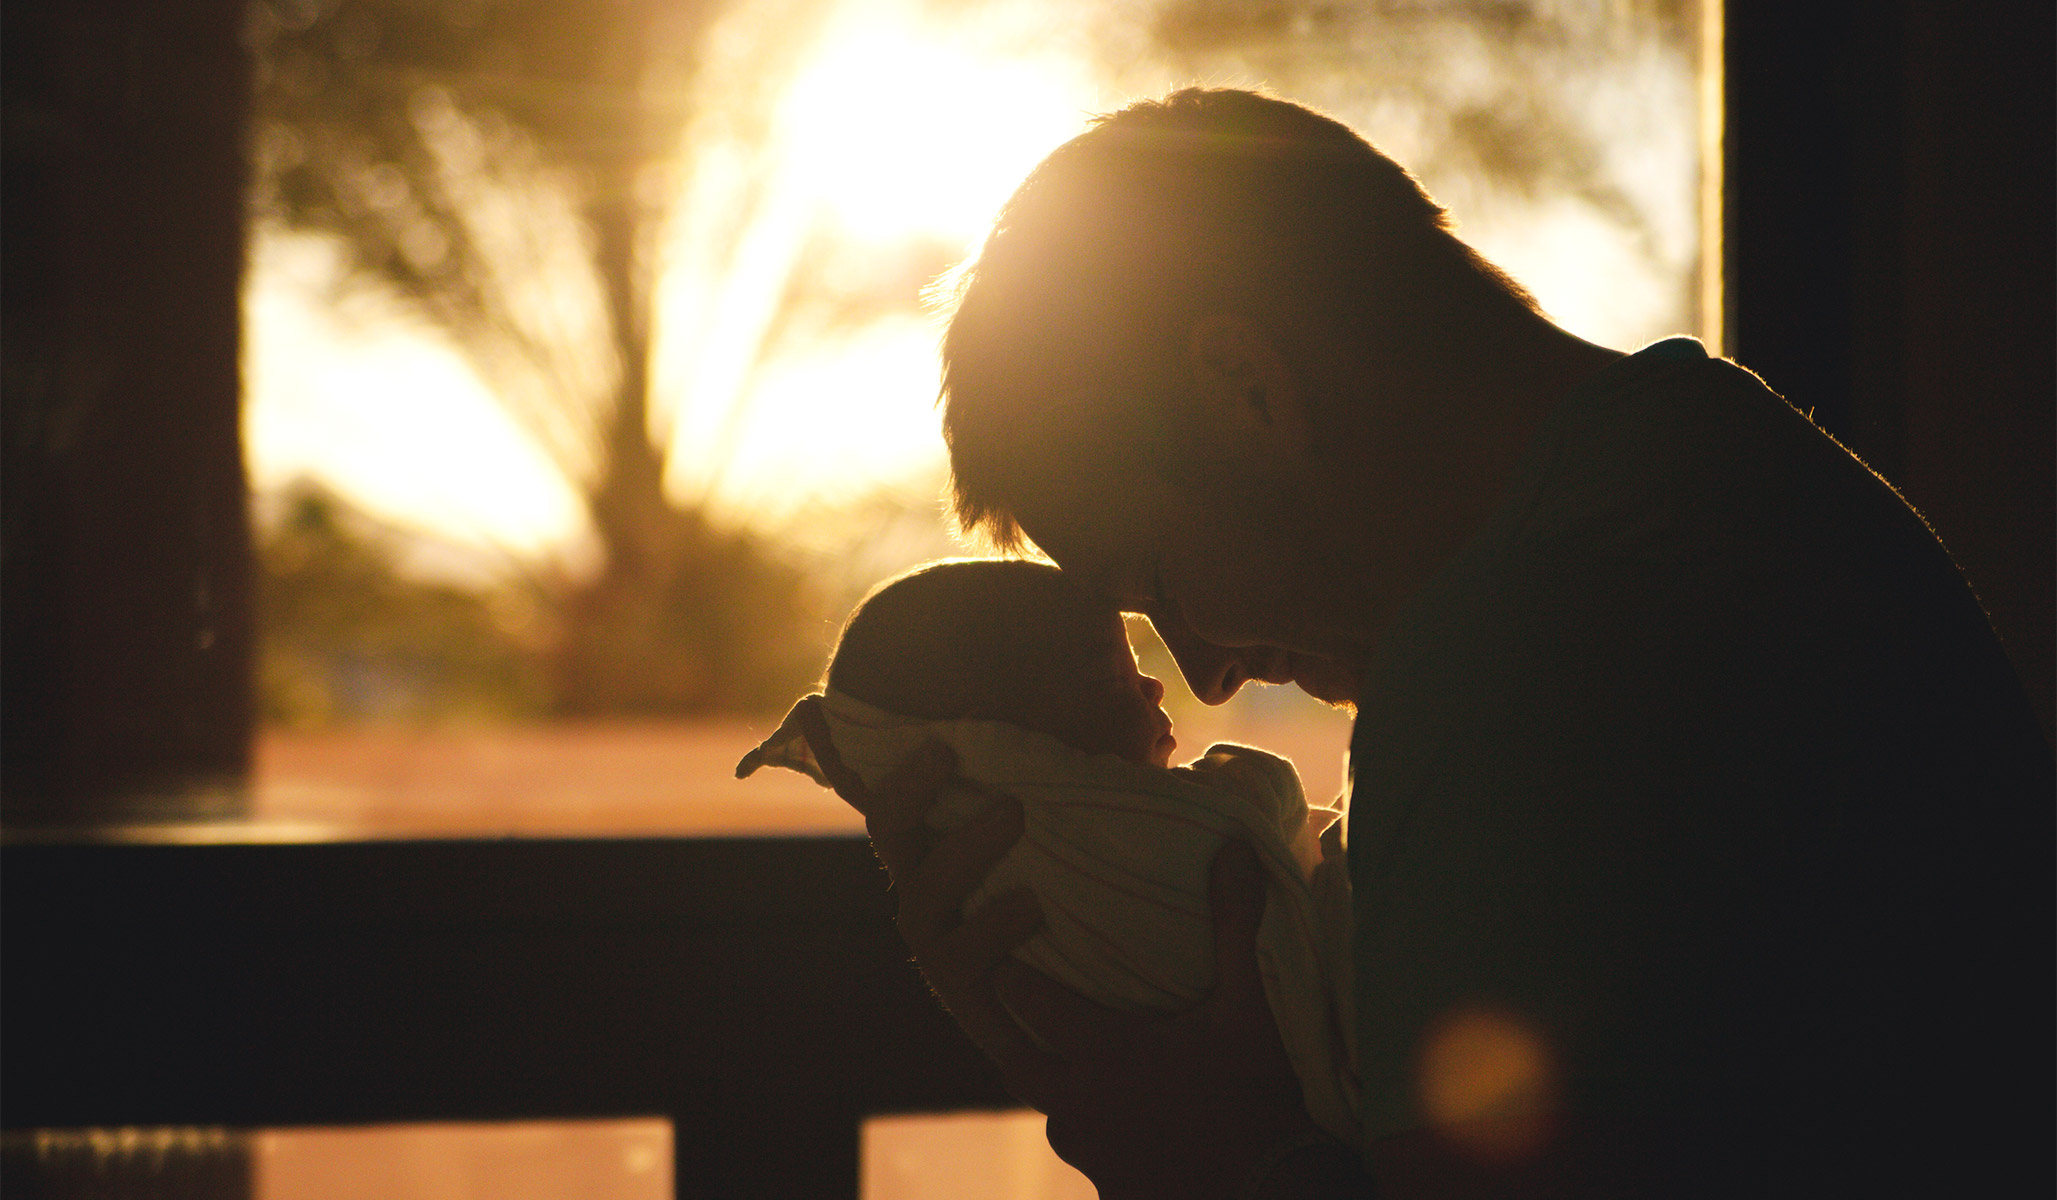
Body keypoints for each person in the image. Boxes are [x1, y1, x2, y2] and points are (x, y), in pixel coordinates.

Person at [836, 88, 2055, 1198]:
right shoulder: (1729, 472)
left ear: (1243, 390)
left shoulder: (1516, 659)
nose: (1201, 671)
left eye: (1153, 580)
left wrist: (1193, 1147)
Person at [736, 558, 1360, 1142]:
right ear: (999, 750)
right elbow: (1267, 816)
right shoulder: (1099, 846)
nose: (1162, 685)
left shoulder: (1001, 889)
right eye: (1111, 681)